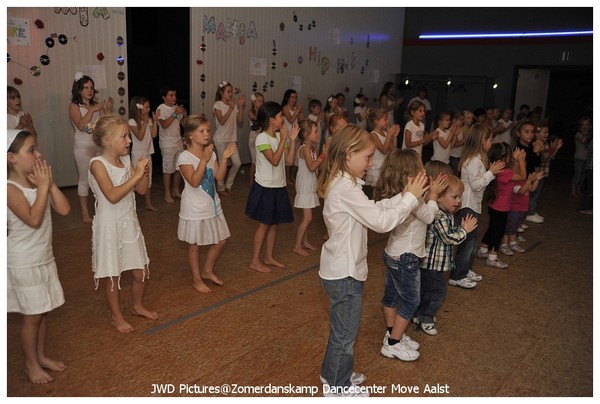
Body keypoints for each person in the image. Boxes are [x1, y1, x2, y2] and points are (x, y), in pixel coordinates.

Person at [316, 125, 428, 395]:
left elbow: (374, 209)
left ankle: (333, 374)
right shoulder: (346, 188)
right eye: (367, 157)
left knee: (342, 331)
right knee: (345, 334)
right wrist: (410, 198)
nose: (370, 163)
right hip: (344, 274)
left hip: (341, 269)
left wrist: (403, 197)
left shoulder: (345, 183)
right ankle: (337, 388)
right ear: (348, 155)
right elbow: (380, 222)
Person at [7, 129, 71, 384]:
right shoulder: (9, 189)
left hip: (43, 256)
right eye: (31, 150)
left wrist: (50, 184)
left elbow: (64, 210)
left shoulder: (37, 183)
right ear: (11, 157)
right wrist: (43, 187)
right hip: (23, 262)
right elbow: (33, 219)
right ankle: (30, 364)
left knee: (42, 312)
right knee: (31, 318)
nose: (38, 154)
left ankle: (41, 356)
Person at [374, 150, 448, 361]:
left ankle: (392, 333)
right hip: (407, 258)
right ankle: (393, 344)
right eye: (421, 167)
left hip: (392, 254)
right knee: (411, 301)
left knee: (391, 297)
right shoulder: (414, 200)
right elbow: (430, 217)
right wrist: (433, 196)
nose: (424, 170)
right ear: (410, 175)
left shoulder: (397, 197)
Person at [88, 115, 157, 333]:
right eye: (124, 136)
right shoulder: (97, 164)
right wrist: (136, 176)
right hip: (109, 226)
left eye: (128, 136)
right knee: (113, 274)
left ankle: (137, 306)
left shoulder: (126, 160)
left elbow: (141, 190)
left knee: (141, 271)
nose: (129, 140)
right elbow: (112, 195)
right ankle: (116, 316)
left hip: (129, 223)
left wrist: (143, 175)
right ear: (107, 140)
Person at [177, 115, 235, 293]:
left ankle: (207, 270)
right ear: (190, 135)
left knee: (221, 240)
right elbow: (194, 181)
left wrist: (224, 159)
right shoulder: (184, 157)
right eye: (201, 131)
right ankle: (196, 279)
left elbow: (219, 176)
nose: (206, 134)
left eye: (208, 130)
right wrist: (204, 160)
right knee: (195, 245)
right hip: (195, 207)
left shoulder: (210, 153)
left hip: (212, 204)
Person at [414, 175, 477, 336]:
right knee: (436, 293)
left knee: (426, 291)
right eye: (454, 197)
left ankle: (419, 314)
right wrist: (464, 230)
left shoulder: (446, 213)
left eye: (460, 197)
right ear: (439, 197)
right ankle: (426, 318)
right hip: (432, 265)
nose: (458, 201)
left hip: (434, 264)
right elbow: (449, 238)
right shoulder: (439, 216)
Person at [245, 101, 298, 273]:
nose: (283, 119)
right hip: (265, 187)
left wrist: (291, 140)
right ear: (271, 120)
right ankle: (254, 261)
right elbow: (274, 161)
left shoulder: (279, 137)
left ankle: (268, 256)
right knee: (264, 224)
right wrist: (283, 140)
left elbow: (289, 161)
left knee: (274, 224)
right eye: (280, 116)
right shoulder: (262, 138)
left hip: (279, 186)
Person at [452, 124, 505, 288]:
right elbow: (476, 185)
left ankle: (465, 269)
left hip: (472, 205)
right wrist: (491, 172)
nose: (491, 142)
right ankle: (457, 275)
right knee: (467, 243)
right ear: (482, 141)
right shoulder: (474, 160)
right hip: (467, 206)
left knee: (472, 240)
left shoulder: (477, 159)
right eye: (490, 139)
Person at [69, 73, 113, 223]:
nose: (90, 90)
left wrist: (108, 109)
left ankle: (102, 209)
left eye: (92, 87)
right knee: (84, 179)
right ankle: (84, 213)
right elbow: (81, 126)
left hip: (98, 146)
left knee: (101, 178)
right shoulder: (74, 106)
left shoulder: (97, 105)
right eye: (86, 87)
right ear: (79, 90)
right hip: (83, 148)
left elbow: (106, 125)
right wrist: (92, 110)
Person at [477, 143, 526, 269]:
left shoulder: (498, 170)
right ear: (504, 158)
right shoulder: (505, 172)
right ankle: (492, 257)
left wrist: (515, 160)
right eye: (510, 155)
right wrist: (521, 160)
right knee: (498, 232)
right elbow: (522, 176)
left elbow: (513, 173)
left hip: (494, 205)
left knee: (492, 228)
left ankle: (483, 250)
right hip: (501, 208)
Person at [293, 120, 326, 256]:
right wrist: (323, 155)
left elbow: (318, 167)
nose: (318, 134)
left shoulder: (311, 148)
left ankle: (304, 241)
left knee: (305, 218)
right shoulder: (304, 148)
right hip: (304, 186)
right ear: (306, 134)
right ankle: (297, 246)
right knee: (308, 218)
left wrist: (324, 155)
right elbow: (312, 167)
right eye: (315, 132)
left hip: (310, 185)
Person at [499, 171, 543, 256]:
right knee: (509, 226)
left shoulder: (525, 181)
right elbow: (521, 191)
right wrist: (529, 181)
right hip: (514, 209)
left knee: (516, 226)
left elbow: (532, 189)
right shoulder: (514, 182)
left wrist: (537, 180)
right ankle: (504, 245)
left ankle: (513, 243)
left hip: (522, 209)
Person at [213, 81, 245, 196]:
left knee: (237, 163)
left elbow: (240, 121)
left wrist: (240, 107)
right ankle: (221, 188)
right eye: (228, 91)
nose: (230, 94)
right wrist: (231, 108)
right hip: (220, 139)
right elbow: (221, 121)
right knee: (223, 164)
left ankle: (228, 185)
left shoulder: (233, 105)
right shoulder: (217, 105)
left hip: (231, 139)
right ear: (221, 92)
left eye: (231, 92)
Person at [157, 84, 187, 203]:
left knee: (179, 168)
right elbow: (164, 124)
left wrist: (184, 115)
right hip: (167, 143)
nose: (174, 97)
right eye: (171, 95)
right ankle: (167, 194)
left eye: (175, 95)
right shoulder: (161, 108)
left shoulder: (176, 107)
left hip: (178, 142)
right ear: (164, 97)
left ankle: (175, 190)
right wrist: (175, 113)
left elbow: (183, 124)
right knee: (168, 169)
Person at [527, 123, 563, 221]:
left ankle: (532, 211)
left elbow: (550, 157)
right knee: (533, 193)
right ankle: (529, 213)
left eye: (548, 132)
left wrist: (556, 149)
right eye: (545, 132)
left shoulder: (545, 143)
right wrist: (554, 148)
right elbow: (545, 157)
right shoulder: (537, 144)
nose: (547, 134)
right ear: (537, 134)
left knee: (537, 193)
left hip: (542, 173)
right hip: (536, 173)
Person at [129, 96, 158, 211]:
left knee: (148, 180)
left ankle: (148, 203)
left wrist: (155, 121)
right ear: (139, 108)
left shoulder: (148, 120)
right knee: (135, 179)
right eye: (146, 107)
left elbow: (154, 135)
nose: (149, 109)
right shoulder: (132, 121)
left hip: (147, 153)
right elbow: (140, 136)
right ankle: (131, 205)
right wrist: (145, 122)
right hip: (137, 155)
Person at [513, 121, 544, 224]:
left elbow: (537, 163)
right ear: (519, 133)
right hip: (521, 179)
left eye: (532, 132)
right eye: (526, 132)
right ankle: (516, 223)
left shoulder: (531, 146)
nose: (530, 134)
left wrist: (537, 152)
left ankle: (521, 221)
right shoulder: (518, 148)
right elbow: (525, 164)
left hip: (529, 178)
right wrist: (535, 151)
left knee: (526, 200)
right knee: (519, 202)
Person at [364, 108, 400, 190]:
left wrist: (394, 137)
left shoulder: (385, 133)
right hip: (376, 169)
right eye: (385, 119)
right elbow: (384, 151)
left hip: (384, 167)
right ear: (376, 121)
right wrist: (389, 135)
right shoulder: (373, 135)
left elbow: (392, 151)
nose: (387, 122)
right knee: (375, 190)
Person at [282, 89, 304, 185]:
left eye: (295, 97)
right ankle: (287, 178)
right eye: (292, 97)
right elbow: (290, 120)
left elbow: (301, 120)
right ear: (287, 98)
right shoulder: (285, 108)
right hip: (288, 136)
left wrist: (300, 112)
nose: (294, 99)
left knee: (296, 158)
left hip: (296, 135)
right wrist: (297, 110)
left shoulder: (295, 108)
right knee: (288, 159)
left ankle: (292, 177)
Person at [571, 116, 592, 198]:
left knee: (583, 176)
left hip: (587, 159)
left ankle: (578, 190)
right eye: (583, 125)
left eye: (587, 124)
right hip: (579, 158)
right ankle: (573, 191)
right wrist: (587, 133)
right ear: (580, 126)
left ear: (590, 125)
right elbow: (583, 141)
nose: (585, 126)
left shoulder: (590, 135)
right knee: (578, 175)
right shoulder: (578, 134)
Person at [248, 92, 264, 186]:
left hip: (260, 138)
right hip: (253, 139)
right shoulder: (251, 112)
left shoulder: (262, 112)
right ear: (254, 102)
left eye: (262, 101)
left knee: (259, 161)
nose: (261, 103)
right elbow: (258, 120)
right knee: (254, 162)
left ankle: (258, 181)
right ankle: (251, 183)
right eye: (259, 101)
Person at [448, 110, 466, 174]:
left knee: (457, 171)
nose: (462, 121)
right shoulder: (452, 129)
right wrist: (464, 140)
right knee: (454, 172)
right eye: (461, 120)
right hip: (453, 155)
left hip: (459, 155)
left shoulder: (460, 129)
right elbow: (455, 144)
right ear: (454, 120)